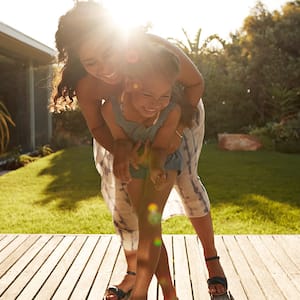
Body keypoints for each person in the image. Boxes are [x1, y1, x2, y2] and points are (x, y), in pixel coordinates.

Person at [53, 2, 230, 299]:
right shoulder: (88, 87)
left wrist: (173, 132)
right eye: (91, 62)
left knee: (185, 179)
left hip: (175, 115)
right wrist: (122, 150)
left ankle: (212, 261)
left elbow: (195, 83)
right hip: (122, 130)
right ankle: (134, 272)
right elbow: (98, 128)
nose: (105, 69)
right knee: (122, 192)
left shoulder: (152, 51)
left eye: (108, 54)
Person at [101, 41, 187, 299]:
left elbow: (161, 147)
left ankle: (141, 292)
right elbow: (119, 141)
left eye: (165, 96)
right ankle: (169, 292)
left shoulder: (171, 112)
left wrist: (155, 166)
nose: (156, 104)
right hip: (135, 164)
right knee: (150, 228)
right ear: (130, 84)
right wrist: (128, 154)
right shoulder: (110, 109)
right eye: (148, 95)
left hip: (163, 164)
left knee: (150, 225)